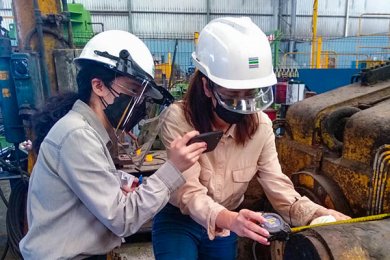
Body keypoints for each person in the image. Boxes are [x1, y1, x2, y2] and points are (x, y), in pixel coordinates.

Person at [152, 17, 350, 259]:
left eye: (251, 94)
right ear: (206, 87)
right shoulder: (179, 120)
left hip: (228, 220)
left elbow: (278, 187)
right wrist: (234, 220)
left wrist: (317, 215)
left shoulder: (261, 127)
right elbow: (190, 194)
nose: (243, 105)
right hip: (180, 220)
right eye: (233, 94)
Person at [19, 30, 207, 259]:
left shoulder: (91, 133)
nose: (138, 103)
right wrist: (173, 168)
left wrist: (118, 183)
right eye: (134, 91)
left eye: (142, 95)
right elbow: (123, 219)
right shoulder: (77, 135)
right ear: (98, 86)